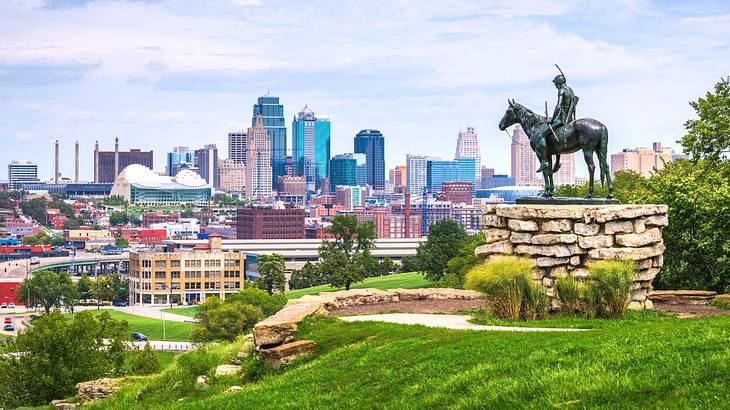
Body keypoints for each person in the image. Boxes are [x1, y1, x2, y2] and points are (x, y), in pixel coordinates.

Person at [535, 69, 579, 173]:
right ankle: (557, 162)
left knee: (541, 135)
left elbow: (558, 106)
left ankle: (545, 161)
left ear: (558, 83)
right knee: (555, 136)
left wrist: (553, 119)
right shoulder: (570, 90)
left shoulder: (562, 90)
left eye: (555, 83)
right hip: (570, 119)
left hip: (562, 119)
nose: (555, 86)